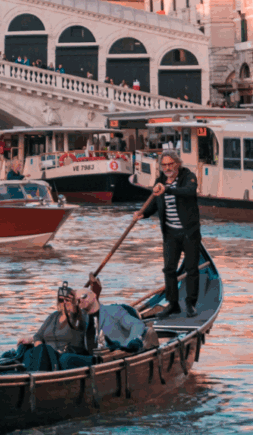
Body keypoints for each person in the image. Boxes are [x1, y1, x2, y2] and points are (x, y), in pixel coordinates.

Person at [133, 150, 201, 318]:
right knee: (169, 269)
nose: (168, 167)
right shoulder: (160, 182)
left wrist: (167, 190)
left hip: (189, 232)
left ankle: (191, 304)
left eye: (171, 164)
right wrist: (144, 213)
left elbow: (189, 191)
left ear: (177, 163)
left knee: (192, 269)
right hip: (170, 233)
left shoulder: (188, 177)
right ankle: (173, 304)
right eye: (164, 165)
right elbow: (156, 203)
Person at [58, 285, 153, 369]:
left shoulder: (113, 310)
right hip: (93, 360)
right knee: (50, 352)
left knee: (65, 359)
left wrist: (129, 343)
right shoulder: (83, 319)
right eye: (78, 300)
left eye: (84, 296)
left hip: (113, 358)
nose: (81, 300)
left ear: (94, 295)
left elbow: (137, 325)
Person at [16, 283, 88, 370]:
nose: (64, 302)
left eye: (67, 300)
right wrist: (38, 346)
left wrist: (74, 309)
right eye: (61, 300)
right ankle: (15, 368)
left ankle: (33, 371)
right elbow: (38, 336)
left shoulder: (80, 317)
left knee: (44, 350)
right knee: (24, 348)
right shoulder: (54, 316)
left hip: (63, 355)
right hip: (45, 354)